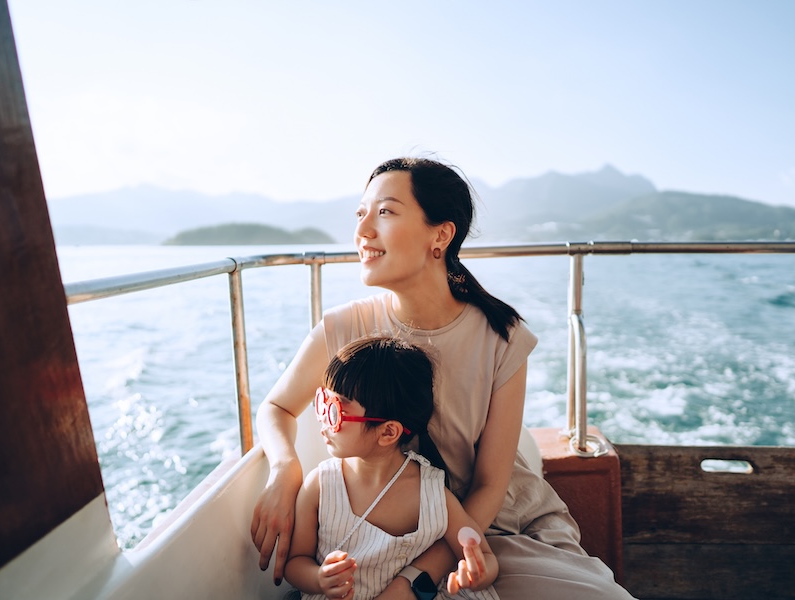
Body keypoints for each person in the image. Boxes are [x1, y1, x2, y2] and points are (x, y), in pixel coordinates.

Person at [252, 156, 636, 599]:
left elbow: (491, 484)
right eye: (361, 214)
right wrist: (284, 470)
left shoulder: (502, 337)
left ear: (441, 234)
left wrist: (416, 576)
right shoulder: (344, 329)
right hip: (383, 541)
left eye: (385, 211)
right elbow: (277, 407)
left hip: (490, 531)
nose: (362, 231)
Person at [284, 336, 499, 600]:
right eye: (322, 402)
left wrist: (475, 573)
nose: (323, 421)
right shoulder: (319, 485)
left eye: (336, 412)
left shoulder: (431, 494)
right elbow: (295, 562)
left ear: (388, 432)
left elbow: (486, 557)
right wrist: (318, 579)